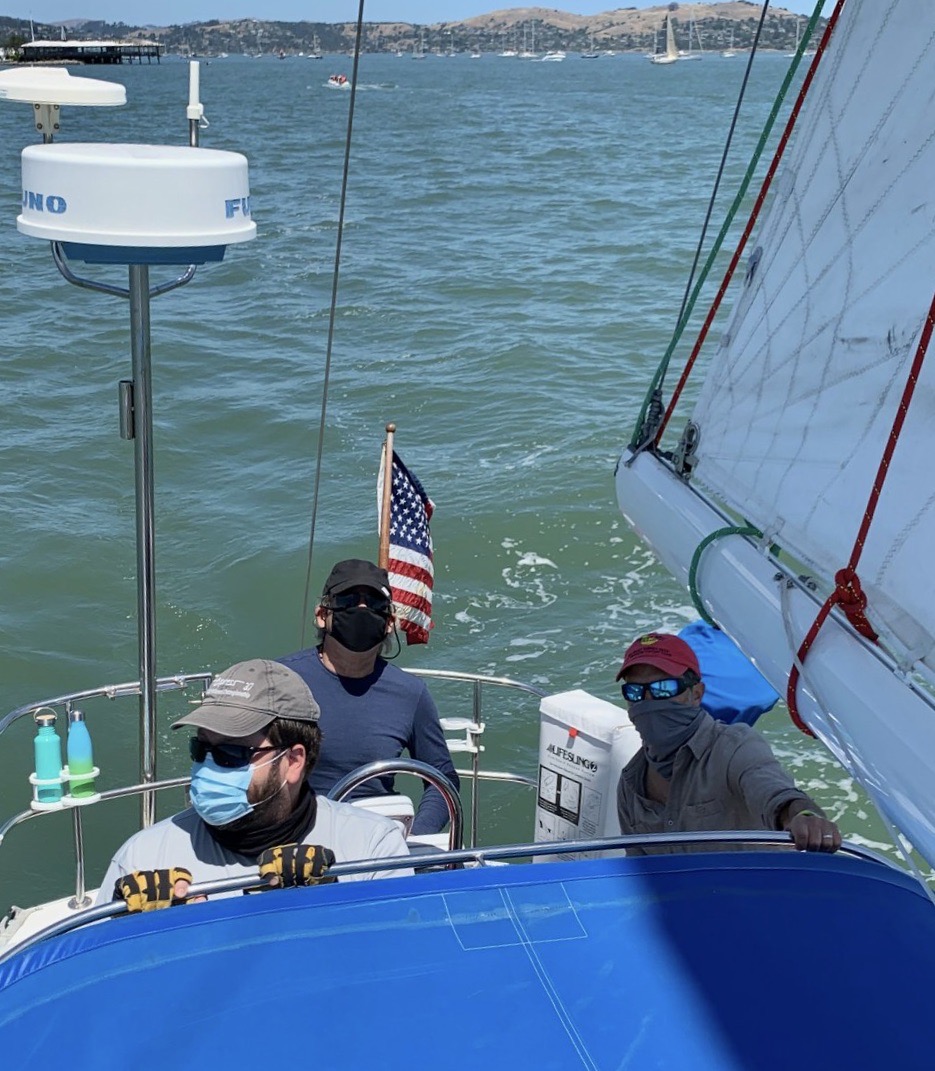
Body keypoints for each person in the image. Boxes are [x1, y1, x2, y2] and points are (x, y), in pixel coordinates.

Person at [99, 658, 411, 910]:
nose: (207, 765)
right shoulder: (142, 858)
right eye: (201, 749)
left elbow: (402, 961)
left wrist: (329, 904)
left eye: (231, 753)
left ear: (293, 761)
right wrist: (125, 929)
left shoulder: (372, 848)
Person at [615, 632, 842, 855]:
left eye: (663, 689)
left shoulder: (735, 747)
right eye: (634, 692)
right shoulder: (630, 783)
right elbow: (640, 872)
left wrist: (804, 816)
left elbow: (775, 793)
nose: (648, 701)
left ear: (696, 694)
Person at [279, 559, 459, 837]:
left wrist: (415, 839)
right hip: (296, 837)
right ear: (321, 614)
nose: (361, 609)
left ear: (389, 623)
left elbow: (442, 778)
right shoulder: (281, 680)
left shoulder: (411, 693)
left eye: (374, 604)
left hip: (380, 838)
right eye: (348, 599)